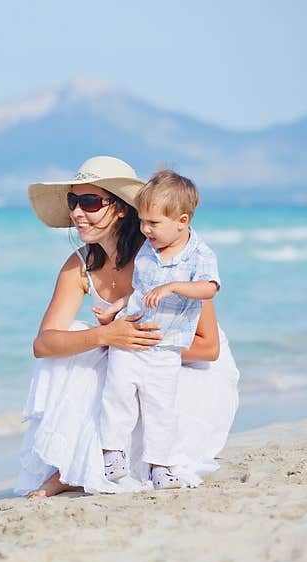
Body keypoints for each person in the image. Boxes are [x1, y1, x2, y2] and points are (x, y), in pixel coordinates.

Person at [14, 156, 239, 498]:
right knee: (77, 340)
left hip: (183, 366)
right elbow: (43, 344)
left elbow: (209, 348)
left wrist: (139, 343)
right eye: (73, 202)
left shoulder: (166, 256)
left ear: (120, 209)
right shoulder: (79, 267)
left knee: (110, 360)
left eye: (89, 202)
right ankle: (71, 467)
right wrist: (106, 336)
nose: (77, 213)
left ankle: (87, 467)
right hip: (125, 368)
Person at [92, 170, 220, 490]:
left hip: (165, 348)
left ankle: (160, 467)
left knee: (160, 408)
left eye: (153, 223)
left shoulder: (199, 255)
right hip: (132, 339)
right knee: (117, 392)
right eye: (141, 221)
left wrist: (175, 286)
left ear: (182, 220)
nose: (144, 229)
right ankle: (113, 451)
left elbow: (210, 288)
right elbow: (139, 291)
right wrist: (115, 307)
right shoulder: (148, 250)